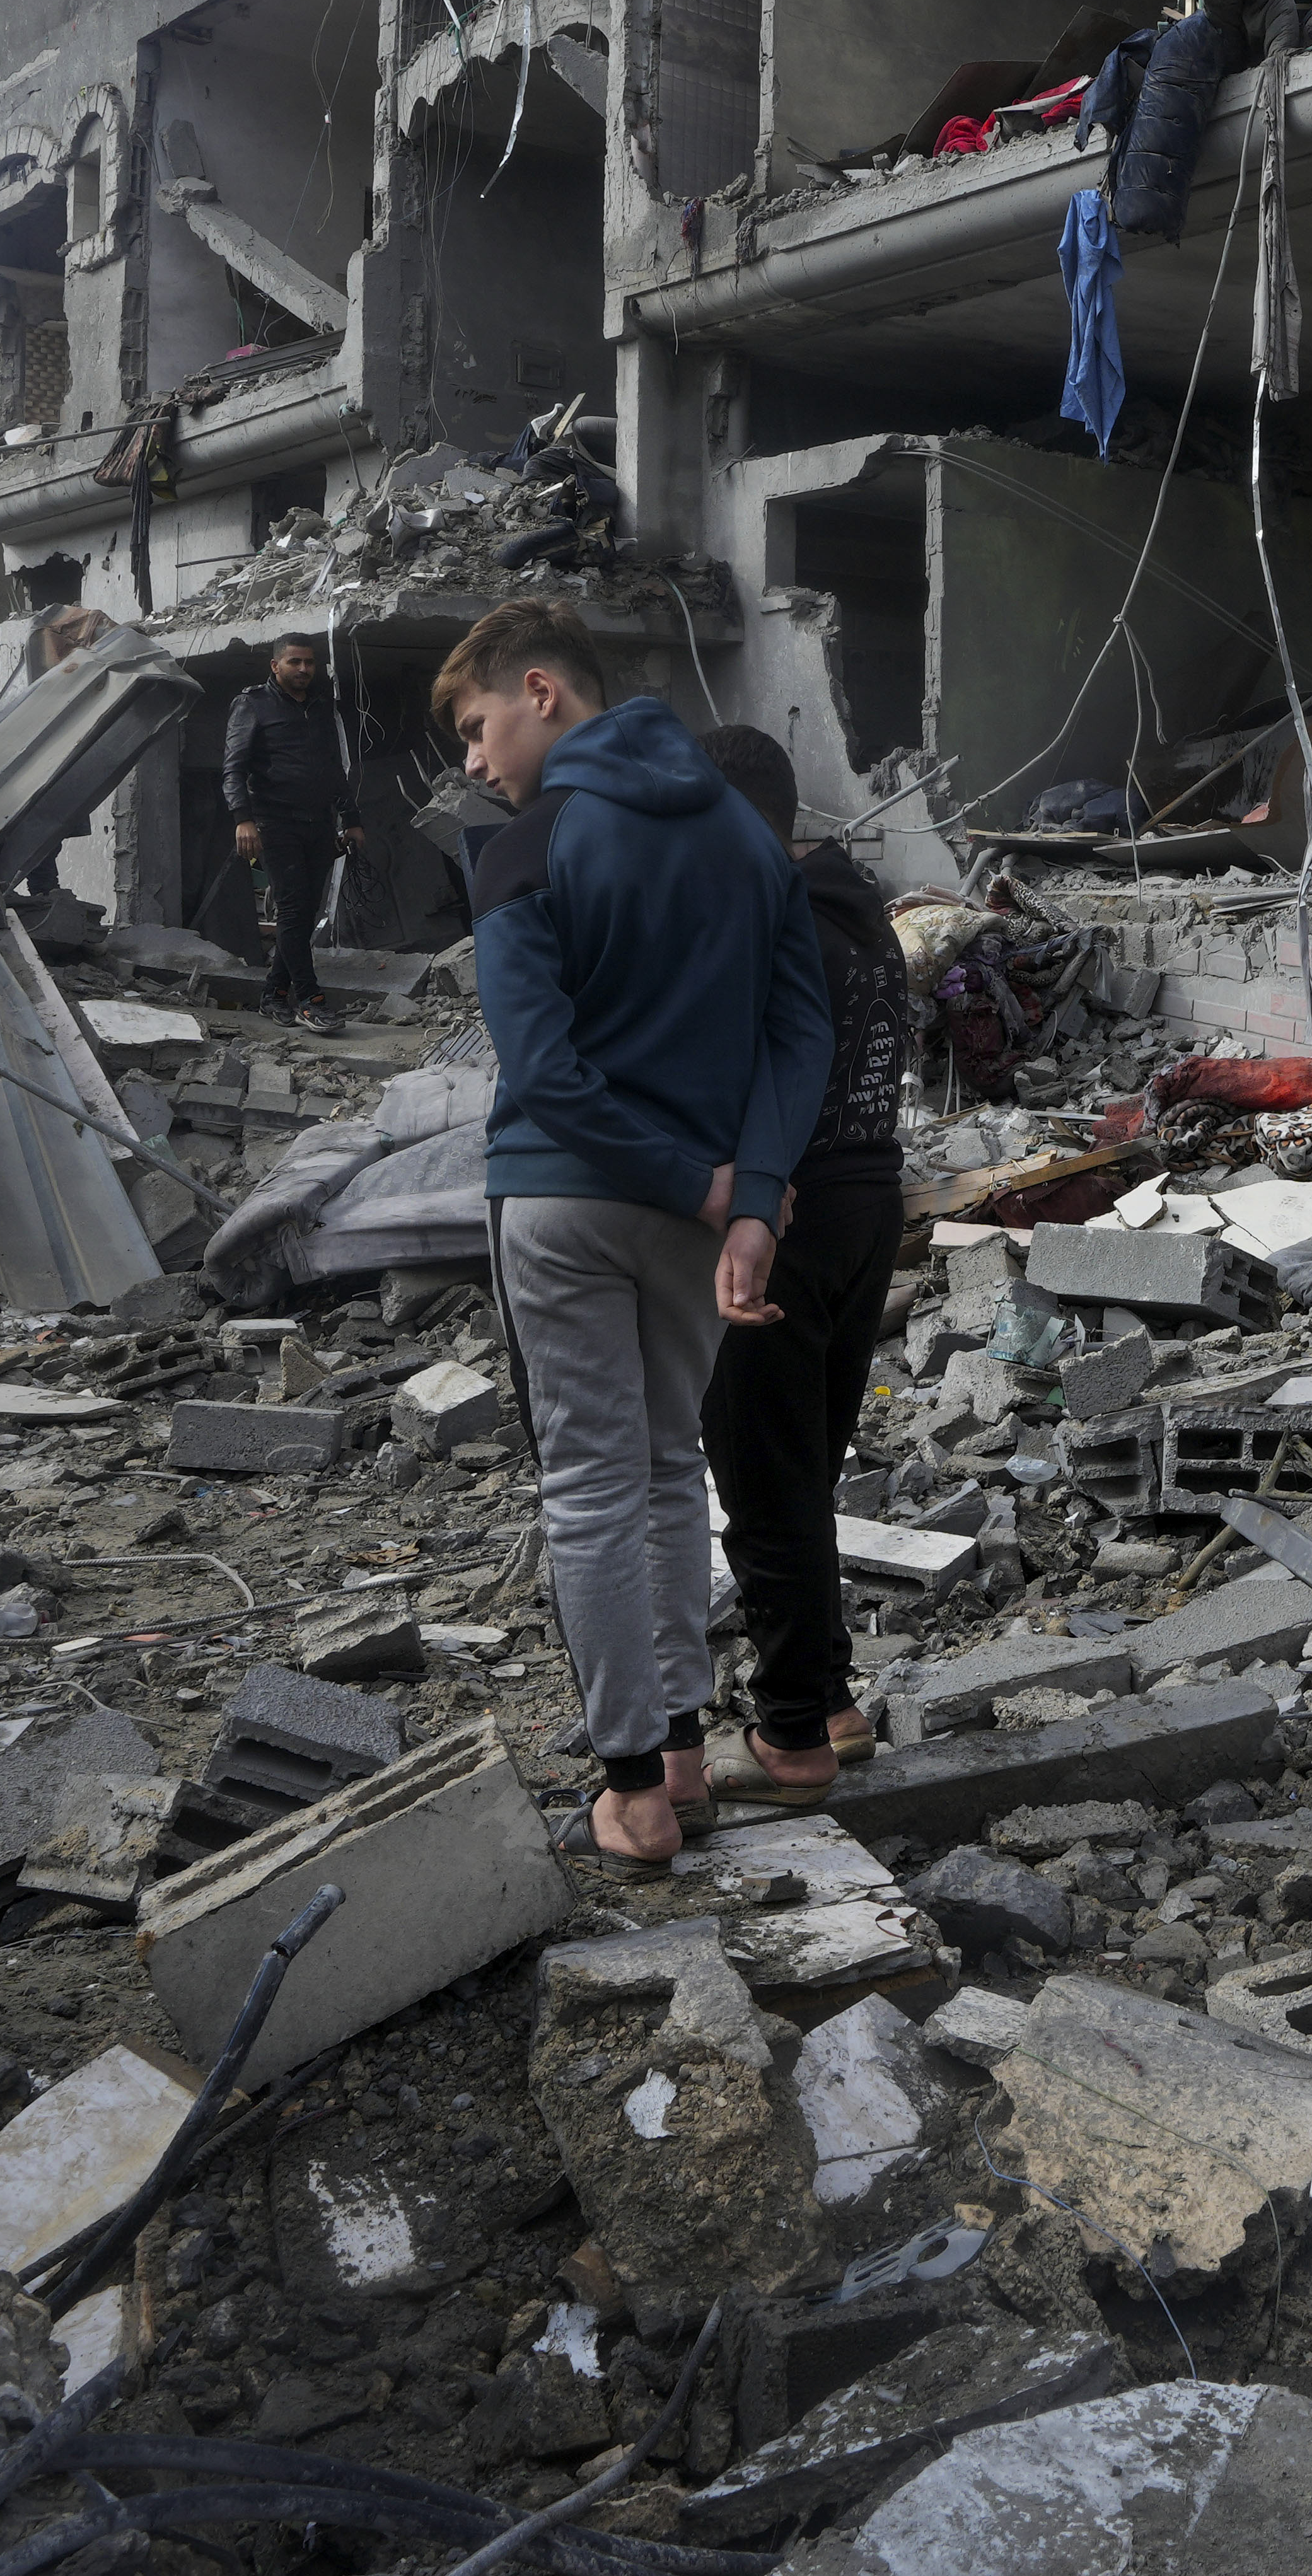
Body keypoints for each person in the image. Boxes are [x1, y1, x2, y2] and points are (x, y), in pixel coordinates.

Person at [438, 601, 837, 1869]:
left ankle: (632, 1795)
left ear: (543, 691)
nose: (473, 759)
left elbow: (543, 1072)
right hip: (695, 1211)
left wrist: (699, 1184)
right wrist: (750, 1196)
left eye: (476, 724)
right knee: (673, 1470)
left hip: (564, 1199)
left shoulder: (528, 846)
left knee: (595, 1486)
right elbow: (799, 1035)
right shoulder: (747, 834)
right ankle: (682, 1751)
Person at [692, 726, 900, 1799]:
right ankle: (828, 1700)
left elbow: (745, 1081)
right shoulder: (864, 919)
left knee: (765, 1483)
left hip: (789, 1214)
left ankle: (789, 1738)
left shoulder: (776, 929)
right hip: (869, 1204)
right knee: (804, 1472)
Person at [221, 632, 368, 1027]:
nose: (303, 669)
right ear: (276, 666)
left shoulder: (320, 707)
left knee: (303, 915)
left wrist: (351, 819)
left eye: (309, 663)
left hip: (319, 825)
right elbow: (233, 769)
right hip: (275, 823)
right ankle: (311, 999)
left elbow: (335, 769)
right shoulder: (252, 705)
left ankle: (274, 995)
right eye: (294, 662)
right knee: (293, 909)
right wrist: (243, 819)